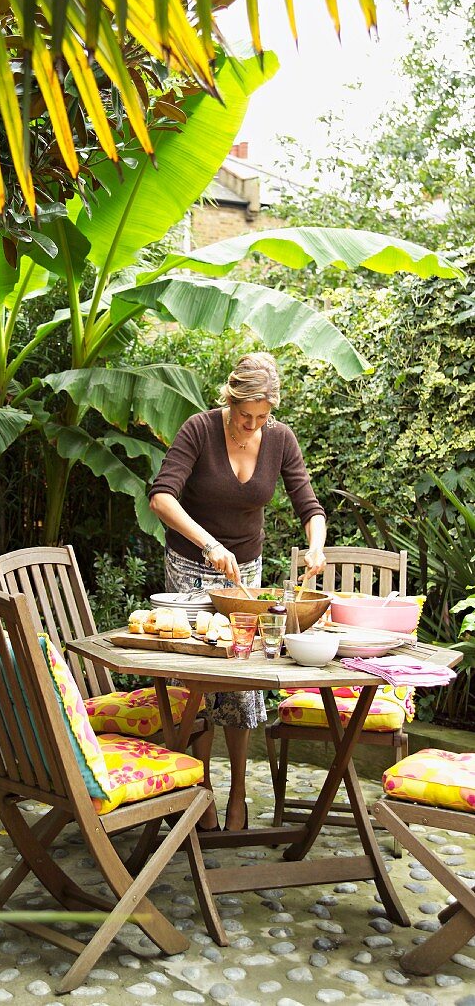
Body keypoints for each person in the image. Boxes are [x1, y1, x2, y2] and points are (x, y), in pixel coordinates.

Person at [148, 352, 327, 831]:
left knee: (244, 683)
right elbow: (162, 495)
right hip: (190, 568)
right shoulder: (198, 430)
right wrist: (207, 543)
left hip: (246, 575)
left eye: (261, 417)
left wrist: (315, 547)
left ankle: (239, 795)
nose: (252, 426)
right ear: (229, 401)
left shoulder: (280, 438)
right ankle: (201, 791)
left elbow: (309, 504)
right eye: (244, 415)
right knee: (200, 683)